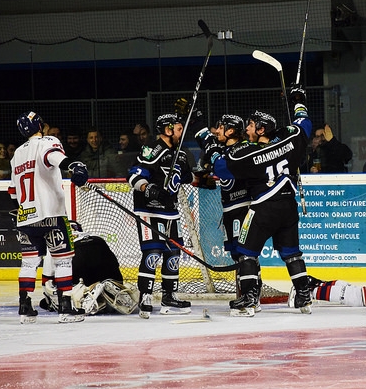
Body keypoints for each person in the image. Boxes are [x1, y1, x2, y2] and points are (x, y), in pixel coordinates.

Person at [199, 85, 314, 316]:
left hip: (263, 208)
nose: (248, 128)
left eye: (251, 125)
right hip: (288, 207)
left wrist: (210, 147)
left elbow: (221, 167)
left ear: (261, 130)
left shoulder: (248, 154)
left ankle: (250, 299)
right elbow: (304, 124)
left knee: (245, 252)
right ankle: (303, 295)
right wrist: (298, 101)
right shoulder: (289, 140)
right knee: (291, 253)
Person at [9, 111, 89, 324]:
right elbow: (55, 158)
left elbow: (13, 193)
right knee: (63, 260)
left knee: (28, 262)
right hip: (51, 214)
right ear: (40, 125)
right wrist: (75, 166)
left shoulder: (16, 154)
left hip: (26, 217)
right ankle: (65, 307)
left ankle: (25, 306)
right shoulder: (48, 141)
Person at [127, 112, 194, 319]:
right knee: (152, 253)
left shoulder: (180, 154)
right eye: (179, 129)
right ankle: (145, 296)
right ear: (167, 130)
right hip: (149, 209)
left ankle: (169, 297)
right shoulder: (153, 150)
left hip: (170, 211)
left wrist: (205, 178)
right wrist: (148, 187)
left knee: (173, 253)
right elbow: (133, 176)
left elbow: (188, 177)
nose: (182, 133)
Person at [197, 114, 256, 305]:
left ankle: (251, 296)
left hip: (242, 207)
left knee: (244, 252)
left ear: (231, 130)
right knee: (236, 254)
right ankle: (246, 294)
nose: (217, 130)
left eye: (221, 127)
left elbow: (220, 159)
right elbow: (206, 143)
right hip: (229, 209)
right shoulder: (224, 147)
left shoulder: (243, 148)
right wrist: (197, 116)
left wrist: (212, 153)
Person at [39, 221, 139, 316]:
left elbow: (47, 278)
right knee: (111, 279)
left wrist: (49, 300)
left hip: (77, 253)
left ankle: (83, 294)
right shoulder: (94, 235)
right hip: (100, 246)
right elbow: (114, 263)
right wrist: (118, 280)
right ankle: (113, 288)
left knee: (60, 288)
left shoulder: (56, 241)